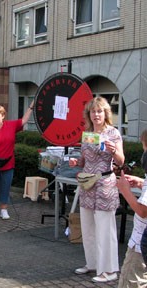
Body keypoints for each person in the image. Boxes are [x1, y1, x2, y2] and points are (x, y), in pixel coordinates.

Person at [69, 96, 124, 283]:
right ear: (89, 114)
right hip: (87, 184)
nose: (96, 114)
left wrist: (113, 151)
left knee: (105, 228)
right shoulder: (87, 134)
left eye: (100, 111)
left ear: (106, 113)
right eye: (93, 111)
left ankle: (109, 270)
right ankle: (92, 263)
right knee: (88, 226)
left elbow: (121, 161)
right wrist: (76, 162)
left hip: (104, 184)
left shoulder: (113, 133)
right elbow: (84, 160)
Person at [0, 101, 34, 221]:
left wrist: (31, 107)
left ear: (3, 116)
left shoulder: (11, 125)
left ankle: (3, 210)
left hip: (7, 163)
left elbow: (23, 120)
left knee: (5, 186)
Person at [116, 129, 147, 287]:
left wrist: (125, 191)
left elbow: (143, 211)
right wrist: (141, 182)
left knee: (131, 281)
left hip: (140, 243)